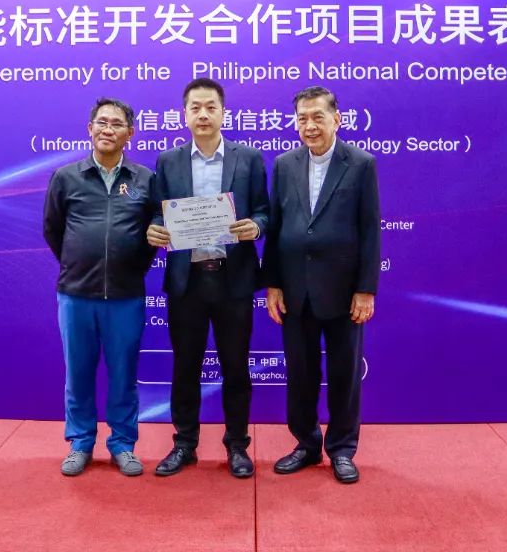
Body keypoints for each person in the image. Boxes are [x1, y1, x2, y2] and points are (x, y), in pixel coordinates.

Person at [146, 79, 269, 478]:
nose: (203, 114)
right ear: (184, 115)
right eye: (195, 107)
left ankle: (237, 445)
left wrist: (257, 226)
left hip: (233, 279)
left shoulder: (248, 158)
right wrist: (156, 228)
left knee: (236, 367)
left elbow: (265, 210)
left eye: (210, 107)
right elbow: (158, 212)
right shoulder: (168, 161)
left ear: (223, 112)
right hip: (188, 281)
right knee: (185, 366)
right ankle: (184, 444)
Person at [262, 86, 380, 484]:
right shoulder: (284, 164)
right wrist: (273, 283)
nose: (309, 125)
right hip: (295, 290)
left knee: (345, 374)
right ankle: (306, 444)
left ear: (336, 119)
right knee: (300, 373)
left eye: (317, 117)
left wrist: (366, 289)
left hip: (344, 292)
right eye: (302, 118)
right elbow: (276, 228)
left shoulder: (360, 164)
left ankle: (342, 449)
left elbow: (370, 229)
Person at [43, 98, 156, 477]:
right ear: (90, 128)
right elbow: (53, 230)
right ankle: (80, 442)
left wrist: (129, 266)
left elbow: (153, 233)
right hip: (76, 295)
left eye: (117, 124)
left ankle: (123, 444)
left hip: (126, 296)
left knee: (124, 374)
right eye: (102, 123)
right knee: (78, 373)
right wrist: (79, 263)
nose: (109, 129)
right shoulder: (66, 177)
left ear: (130, 133)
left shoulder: (144, 179)